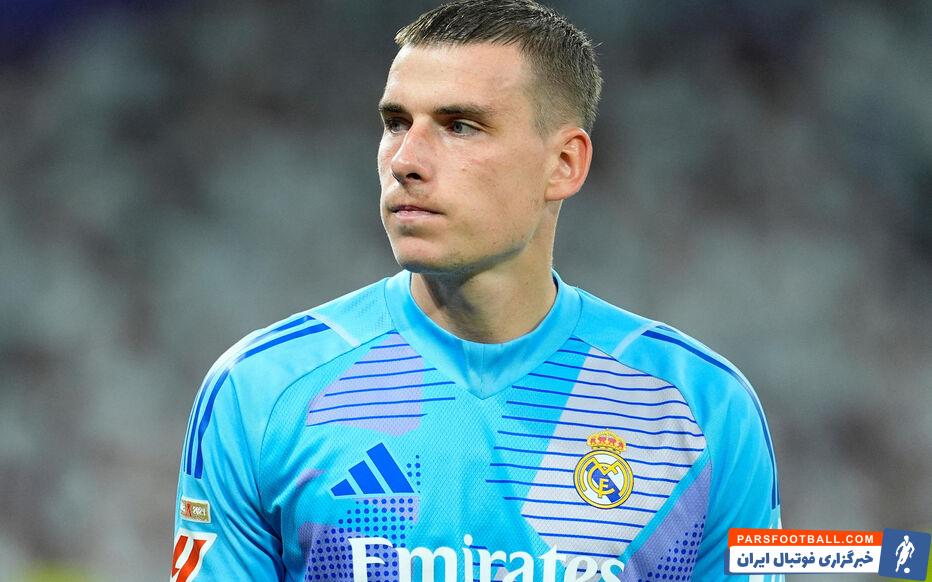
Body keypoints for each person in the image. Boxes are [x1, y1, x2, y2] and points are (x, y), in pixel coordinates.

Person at [172, 1, 782, 580]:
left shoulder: (702, 407)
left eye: (460, 126)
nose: (405, 160)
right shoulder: (261, 391)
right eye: (395, 123)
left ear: (564, 164)